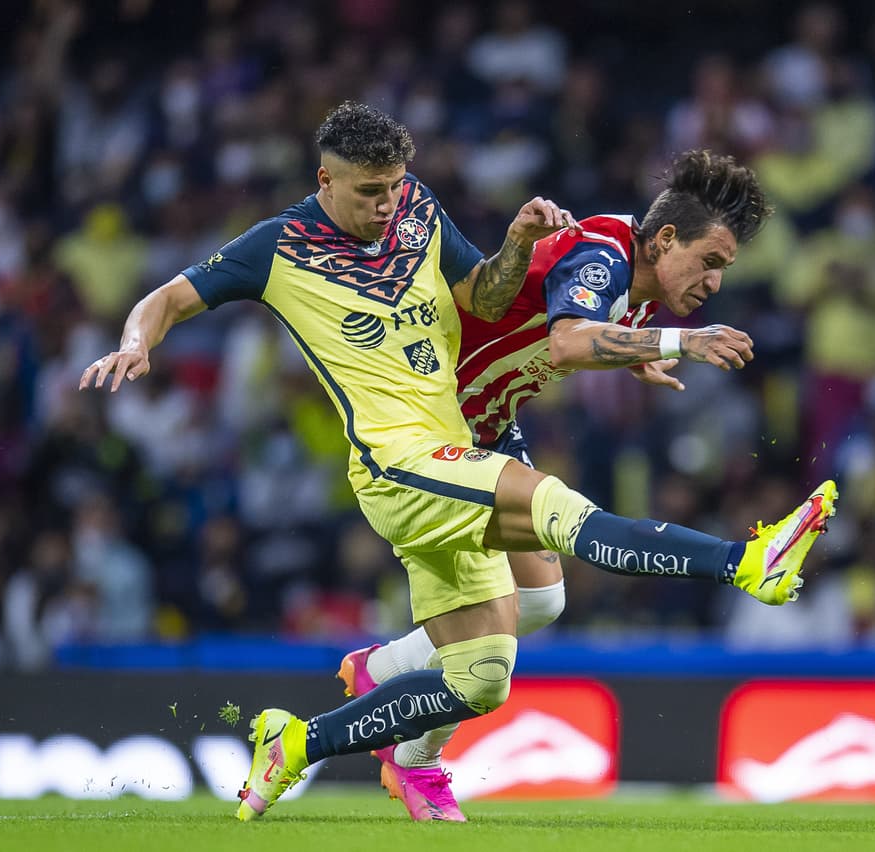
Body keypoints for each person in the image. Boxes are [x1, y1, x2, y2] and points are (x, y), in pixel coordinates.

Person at [79, 102, 837, 823]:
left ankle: (303, 738)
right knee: (559, 510)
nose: (386, 204)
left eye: (393, 187)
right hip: (402, 455)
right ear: (324, 182)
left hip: (467, 435)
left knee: (490, 668)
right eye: (369, 192)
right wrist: (136, 342)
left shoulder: (418, 207)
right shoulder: (280, 246)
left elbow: (483, 294)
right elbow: (170, 297)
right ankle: (743, 560)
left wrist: (520, 248)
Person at [335, 149, 789, 819]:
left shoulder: (634, 275)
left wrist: (633, 355)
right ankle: (412, 754)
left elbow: (575, 320)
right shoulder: (604, 252)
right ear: (665, 239)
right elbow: (567, 344)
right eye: (711, 262)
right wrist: (679, 343)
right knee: (516, 608)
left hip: (484, 424)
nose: (715, 283)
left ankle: (388, 669)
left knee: (542, 602)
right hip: (430, 430)